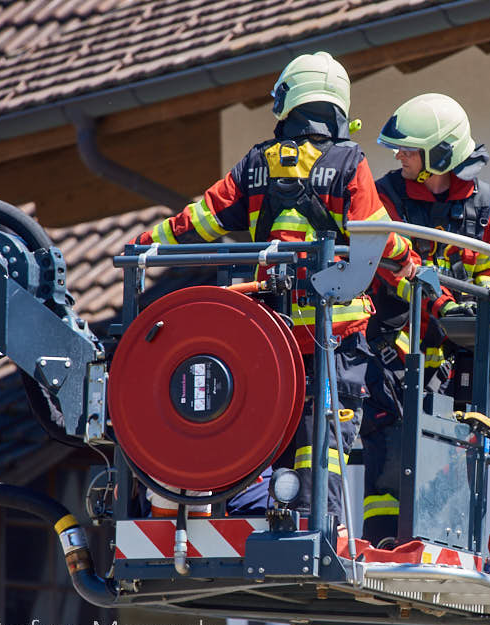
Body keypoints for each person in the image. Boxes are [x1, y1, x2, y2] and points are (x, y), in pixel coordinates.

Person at [130, 52, 416, 523]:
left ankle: (283, 516)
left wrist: (145, 244)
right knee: (325, 438)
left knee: (279, 427)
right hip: (337, 335)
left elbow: (201, 220)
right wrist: (411, 267)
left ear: (288, 101)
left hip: (274, 331)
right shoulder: (349, 162)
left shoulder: (256, 164)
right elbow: (375, 233)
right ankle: (317, 527)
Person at [361, 93, 490, 546]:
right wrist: (444, 305)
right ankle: (386, 542)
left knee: (457, 448)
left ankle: (444, 543)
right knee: (388, 443)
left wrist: (482, 307)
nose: (398, 156)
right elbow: (391, 270)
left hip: (454, 355)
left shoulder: (484, 205)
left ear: (440, 155)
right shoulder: (385, 196)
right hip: (393, 344)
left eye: (408, 149)